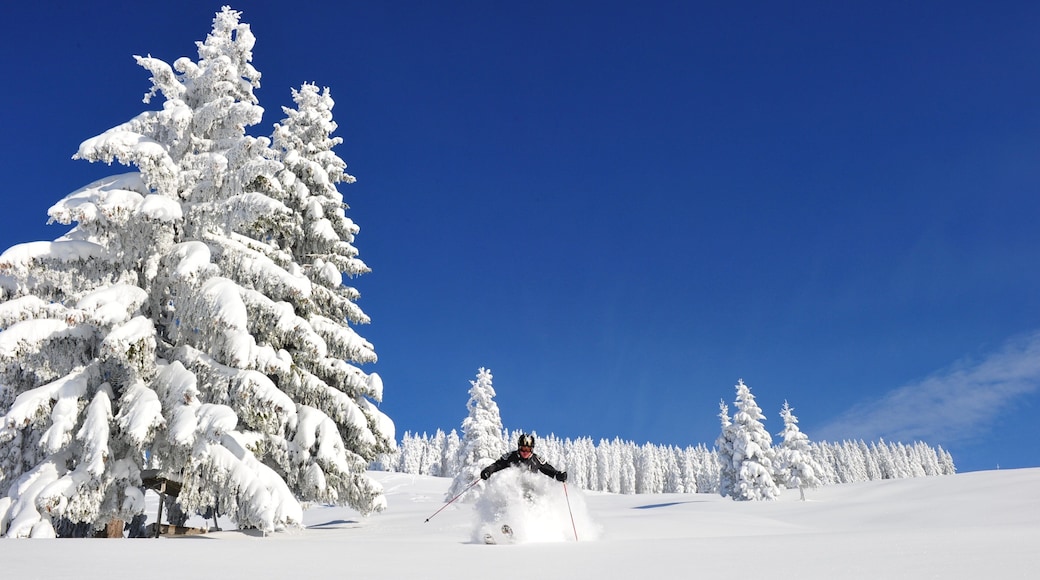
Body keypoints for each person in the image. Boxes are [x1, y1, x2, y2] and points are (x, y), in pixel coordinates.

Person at [480, 433, 568, 483]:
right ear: (519, 447)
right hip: (513, 488)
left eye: (528, 449)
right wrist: (487, 471)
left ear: (532, 449)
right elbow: (497, 465)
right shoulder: (511, 457)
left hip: (530, 490)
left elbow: (549, 470)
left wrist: (558, 475)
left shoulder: (536, 460)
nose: (525, 452)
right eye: (523, 449)